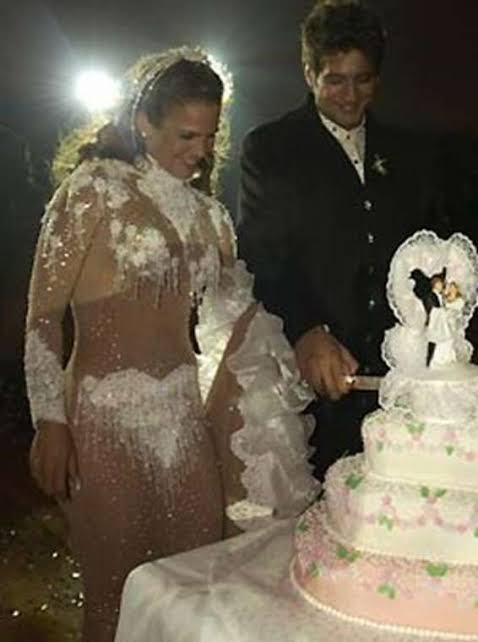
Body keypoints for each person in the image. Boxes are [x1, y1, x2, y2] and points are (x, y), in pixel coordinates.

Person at [25, 47, 316, 642]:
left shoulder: (212, 216)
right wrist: (49, 420)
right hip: (102, 425)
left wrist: (291, 370)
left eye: (209, 136)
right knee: (115, 594)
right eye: (186, 135)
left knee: (192, 586)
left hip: (185, 428)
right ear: (143, 122)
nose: (200, 151)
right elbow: (42, 318)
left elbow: (238, 326)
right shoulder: (94, 189)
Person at [238, 0, 447, 480]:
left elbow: (433, 254)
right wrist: (306, 329)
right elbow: (264, 258)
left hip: (401, 382)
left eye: (363, 79)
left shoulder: (412, 153)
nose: (350, 96)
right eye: (335, 80)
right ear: (309, 73)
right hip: (316, 385)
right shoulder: (271, 149)